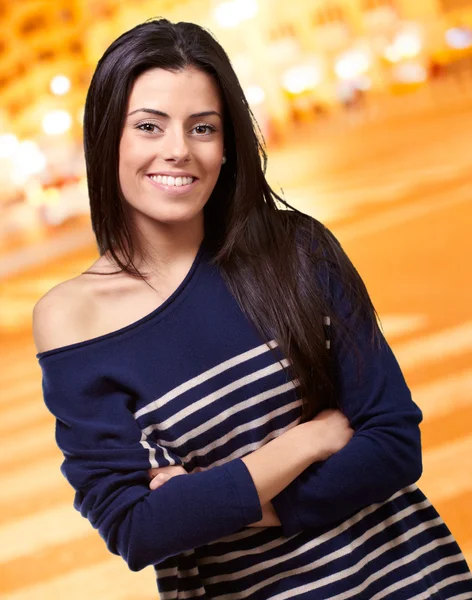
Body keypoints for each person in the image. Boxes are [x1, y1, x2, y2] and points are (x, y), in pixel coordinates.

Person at [32, 18, 472, 599]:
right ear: (107, 136)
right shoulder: (71, 319)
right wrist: (308, 441)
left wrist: (217, 501)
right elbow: (138, 527)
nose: (178, 151)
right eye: (148, 126)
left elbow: (393, 443)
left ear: (227, 142)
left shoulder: (296, 248)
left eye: (203, 128)